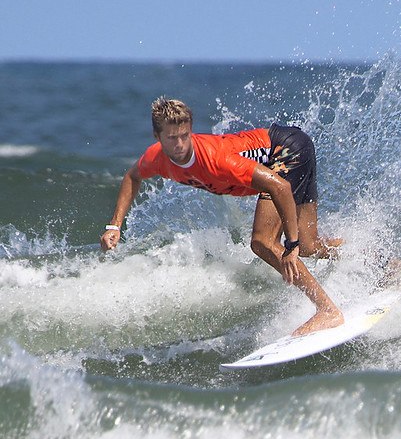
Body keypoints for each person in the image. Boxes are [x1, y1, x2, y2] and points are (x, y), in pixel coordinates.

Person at [100, 97, 343, 336]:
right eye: (172, 138)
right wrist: (115, 226)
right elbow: (133, 176)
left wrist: (291, 245)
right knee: (310, 245)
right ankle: (372, 257)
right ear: (157, 136)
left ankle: (327, 310)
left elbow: (280, 188)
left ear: (191, 131)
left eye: (185, 136)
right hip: (293, 146)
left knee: (263, 242)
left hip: (286, 151)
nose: (180, 144)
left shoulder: (215, 160)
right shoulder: (156, 158)